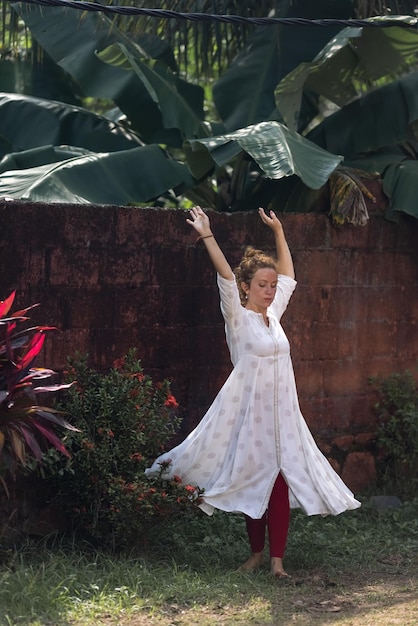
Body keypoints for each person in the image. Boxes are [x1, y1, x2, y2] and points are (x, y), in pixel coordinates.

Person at [146, 206, 361, 577]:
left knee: (278, 483)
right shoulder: (238, 318)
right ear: (247, 287)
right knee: (254, 481)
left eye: (271, 286)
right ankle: (257, 553)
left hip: (285, 420)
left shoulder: (273, 316)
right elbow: (225, 276)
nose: (269, 290)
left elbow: (290, 277)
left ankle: (277, 562)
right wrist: (207, 234)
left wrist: (279, 232)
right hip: (251, 419)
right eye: (262, 285)